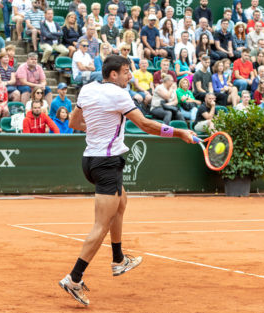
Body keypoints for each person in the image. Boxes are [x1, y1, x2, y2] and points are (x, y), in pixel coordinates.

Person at [60, 55, 194, 306]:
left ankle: (118, 259)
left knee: (121, 202)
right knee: (100, 226)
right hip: (107, 163)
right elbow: (145, 125)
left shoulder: (88, 89)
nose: (129, 75)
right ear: (113, 75)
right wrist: (179, 133)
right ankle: (74, 278)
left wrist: (98, 129)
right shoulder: (119, 95)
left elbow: (74, 122)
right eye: (125, 72)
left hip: (90, 160)